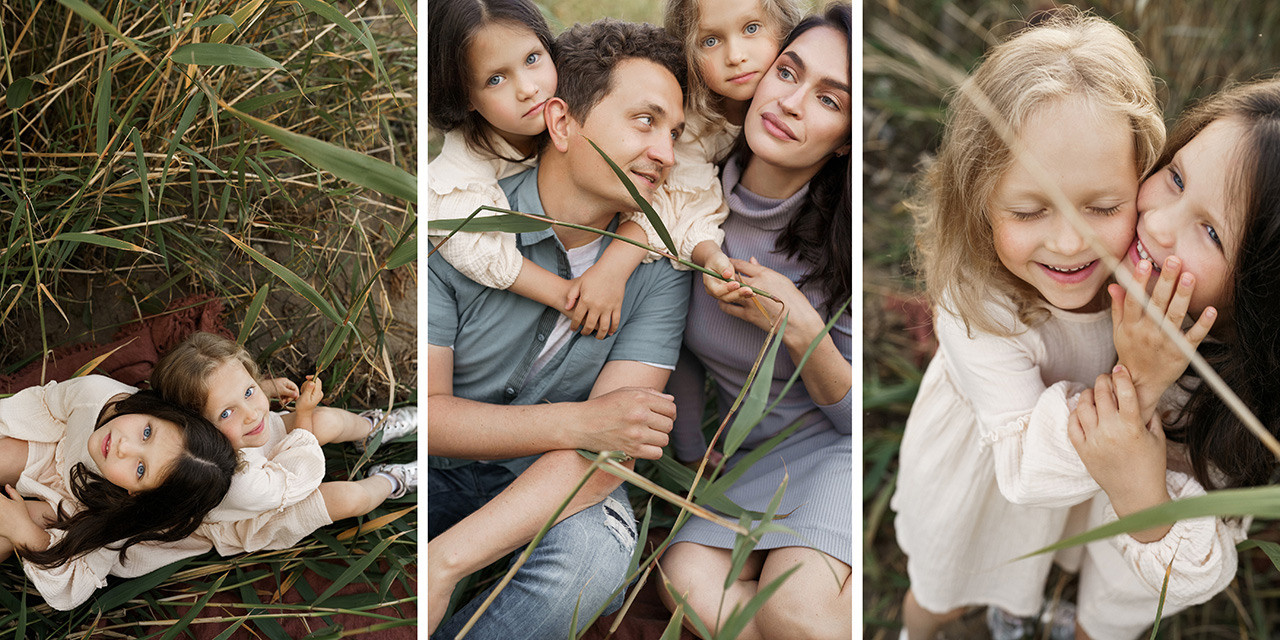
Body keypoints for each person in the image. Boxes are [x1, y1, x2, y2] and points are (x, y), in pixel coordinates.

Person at [887, 9, 1170, 639]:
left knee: (1037, 562)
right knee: (943, 586)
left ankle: (1018, 604)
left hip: (1077, 481)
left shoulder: (1146, 282)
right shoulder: (978, 307)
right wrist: (1144, 381)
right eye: (1027, 210)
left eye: (1102, 207)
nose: (1069, 243)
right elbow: (1023, 468)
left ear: (1144, 183)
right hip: (984, 480)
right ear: (978, 200)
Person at [426, 18, 691, 639]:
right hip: (435, 466)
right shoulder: (464, 224)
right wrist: (574, 422)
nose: (667, 154)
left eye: (675, 133)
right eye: (645, 122)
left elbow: (613, 445)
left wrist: (447, 561)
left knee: (598, 549)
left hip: (548, 478)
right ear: (563, 121)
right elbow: (432, 419)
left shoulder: (657, 265)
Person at [1058, 75, 1280, 639]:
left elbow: (1192, 573)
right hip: (1065, 500)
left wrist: (1142, 493)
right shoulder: (1103, 252)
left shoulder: (1249, 418)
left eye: (1211, 232)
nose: (1156, 224)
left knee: (1103, 617)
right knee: (1063, 553)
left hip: (1146, 554)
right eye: (1176, 176)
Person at [658, 5, 853, 639]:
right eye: (789, 73)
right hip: (752, 460)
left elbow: (860, 417)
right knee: (679, 577)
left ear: (849, 134)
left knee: (790, 605)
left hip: (836, 449)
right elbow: (676, 349)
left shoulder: (844, 239)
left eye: (828, 99)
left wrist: (798, 326)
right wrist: (690, 462)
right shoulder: (692, 198)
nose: (792, 103)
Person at [428, 0, 735, 340]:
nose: (528, 89)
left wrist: (613, 268)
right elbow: (458, 232)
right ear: (466, 97)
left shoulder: (582, 105)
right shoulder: (464, 162)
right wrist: (566, 296)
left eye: (532, 59)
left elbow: (680, 190)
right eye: (495, 79)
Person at [149, 332, 418, 554]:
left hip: (248, 448)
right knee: (352, 498)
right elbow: (301, 476)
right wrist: (302, 414)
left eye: (248, 391)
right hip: (261, 510)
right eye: (226, 412)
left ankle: (372, 430)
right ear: (196, 430)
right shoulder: (233, 484)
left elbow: (229, 391)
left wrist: (263, 388)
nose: (252, 414)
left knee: (325, 420)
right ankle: (392, 479)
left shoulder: (240, 426)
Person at [0, 376, 235, 609]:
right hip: (60, 451)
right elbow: (36, 409)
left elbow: (73, 587)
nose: (124, 447)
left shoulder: (121, 517)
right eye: (147, 433)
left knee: (10, 529)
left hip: (85, 507)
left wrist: (22, 531)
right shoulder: (94, 396)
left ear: (137, 494)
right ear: (154, 412)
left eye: (141, 469)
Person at [661, 0, 804, 288]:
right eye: (710, 41)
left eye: (751, 28)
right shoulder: (693, 123)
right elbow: (688, 204)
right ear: (688, 53)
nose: (736, 56)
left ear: (785, 27)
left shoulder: (801, 103)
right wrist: (711, 254)